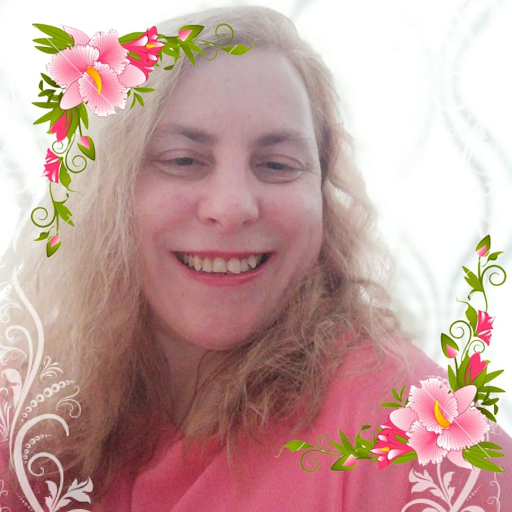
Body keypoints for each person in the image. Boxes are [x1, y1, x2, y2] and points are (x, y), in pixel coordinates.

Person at [0, 6, 511, 511]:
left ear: (324, 195)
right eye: (183, 160)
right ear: (108, 192)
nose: (232, 207)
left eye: (277, 164)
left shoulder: (429, 446)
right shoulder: (29, 413)